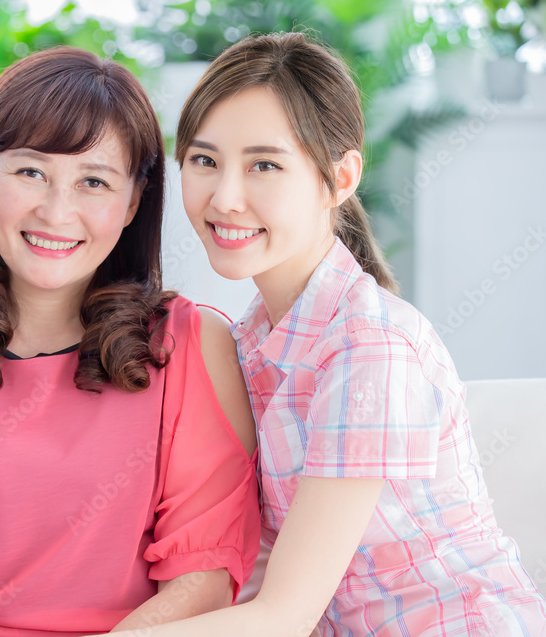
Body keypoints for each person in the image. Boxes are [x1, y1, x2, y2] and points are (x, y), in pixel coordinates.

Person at [109, 32, 546, 636]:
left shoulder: (370, 346)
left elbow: (283, 615)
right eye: (205, 161)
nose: (225, 197)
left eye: (265, 165)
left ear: (339, 178)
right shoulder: (248, 342)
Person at [0, 46, 261, 636]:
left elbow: (203, 576)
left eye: (93, 181)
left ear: (133, 202)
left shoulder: (191, 342)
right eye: (31, 171)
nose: (56, 211)